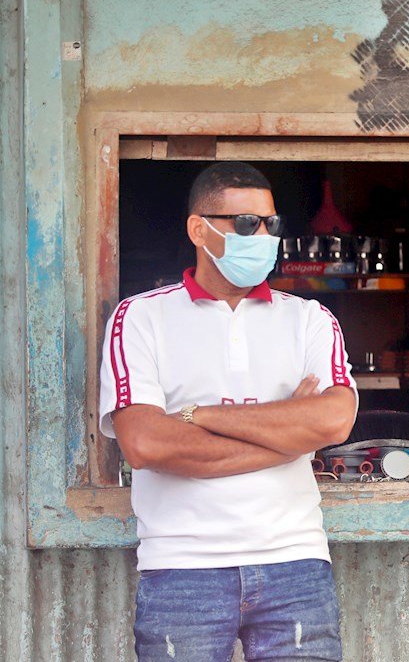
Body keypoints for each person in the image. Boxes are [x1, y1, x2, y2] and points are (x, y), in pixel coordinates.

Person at [100, 162, 358, 661]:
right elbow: (146, 444)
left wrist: (198, 415)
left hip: (295, 562)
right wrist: (287, 431)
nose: (262, 236)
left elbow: (333, 422)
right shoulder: (141, 318)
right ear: (200, 229)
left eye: (270, 224)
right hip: (182, 567)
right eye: (245, 224)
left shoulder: (308, 319)